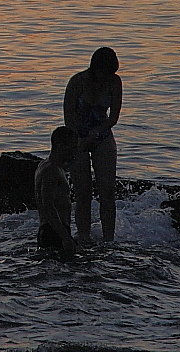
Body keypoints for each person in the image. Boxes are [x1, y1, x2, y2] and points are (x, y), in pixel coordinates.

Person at [64, 47, 123, 244]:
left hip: (102, 134)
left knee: (107, 190)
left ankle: (108, 239)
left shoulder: (115, 82)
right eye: (105, 73)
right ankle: (84, 235)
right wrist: (80, 140)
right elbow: (68, 118)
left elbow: (113, 117)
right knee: (83, 191)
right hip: (77, 137)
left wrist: (97, 132)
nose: (107, 77)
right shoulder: (77, 82)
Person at [35, 125, 79, 260]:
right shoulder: (51, 171)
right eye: (72, 147)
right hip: (54, 232)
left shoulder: (46, 165)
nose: (75, 151)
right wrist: (65, 237)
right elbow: (48, 206)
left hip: (53, 230)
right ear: (60, 146)